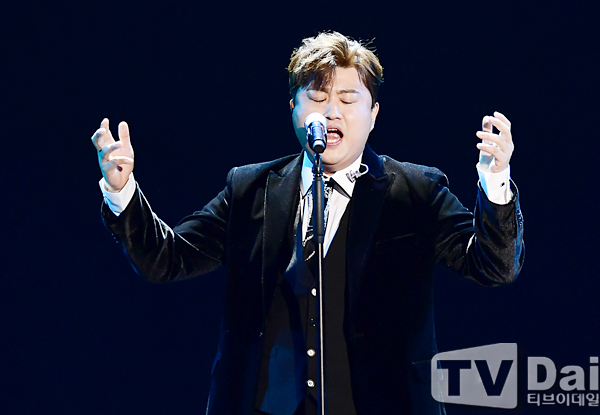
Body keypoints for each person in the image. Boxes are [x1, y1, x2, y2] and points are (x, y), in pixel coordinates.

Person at [91, 31, 524, 415]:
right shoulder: (251, 189)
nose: (331, 112)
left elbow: (494, 265)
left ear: (374, 113)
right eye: (317, 98)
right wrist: (121, 190)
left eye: (348, 100)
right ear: (293, 108)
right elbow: (166, 260)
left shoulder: (416, 191)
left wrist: (495, 183)